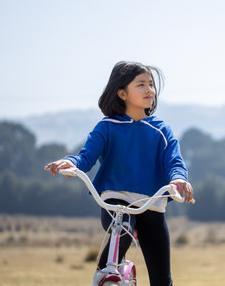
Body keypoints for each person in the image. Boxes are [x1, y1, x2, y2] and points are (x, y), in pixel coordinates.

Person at [44, 61, 193, 286]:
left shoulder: (162, 130)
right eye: (141, 84)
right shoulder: (107, 127)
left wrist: (179, 179)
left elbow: (174, 162)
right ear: (122, 93)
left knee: (162, 280)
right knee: (122, 229)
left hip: (151, 205)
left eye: (151, 84)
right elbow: (84, 158)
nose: (149, 90)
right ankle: (102, 277)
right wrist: (69, 162)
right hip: (117, 201)